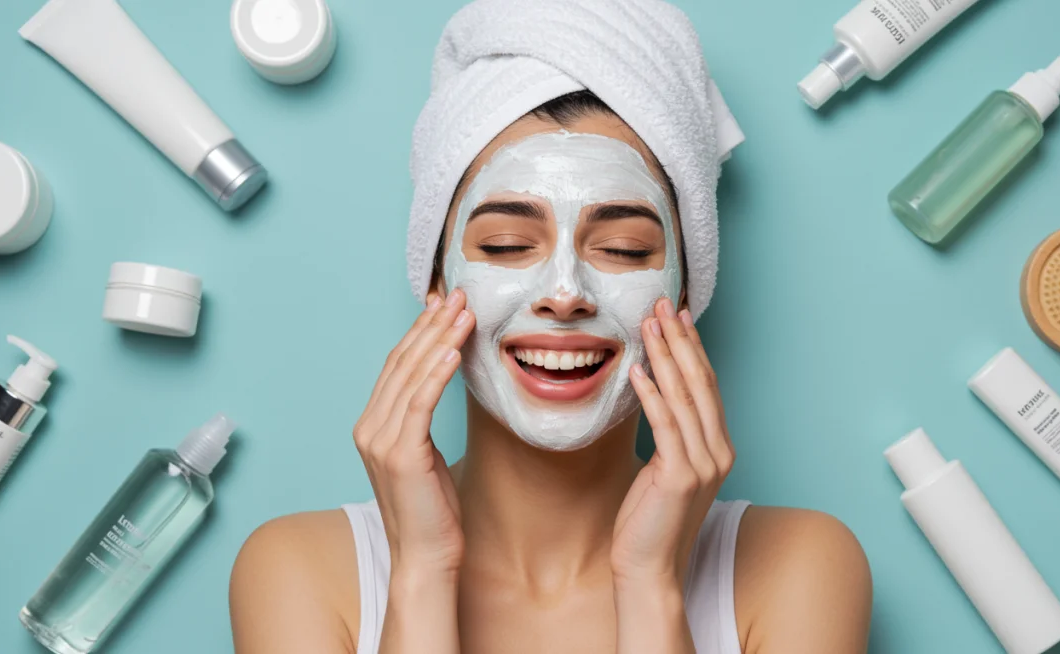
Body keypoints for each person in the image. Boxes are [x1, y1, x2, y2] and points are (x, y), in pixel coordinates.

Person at [229, 2, 872, 653]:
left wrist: (650, 584)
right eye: (507, 244)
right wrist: (421, 573)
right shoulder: (299, 571)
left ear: (685, 289)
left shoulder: (800, 566)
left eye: (622, 248)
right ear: (434, 280)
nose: (565, 294)